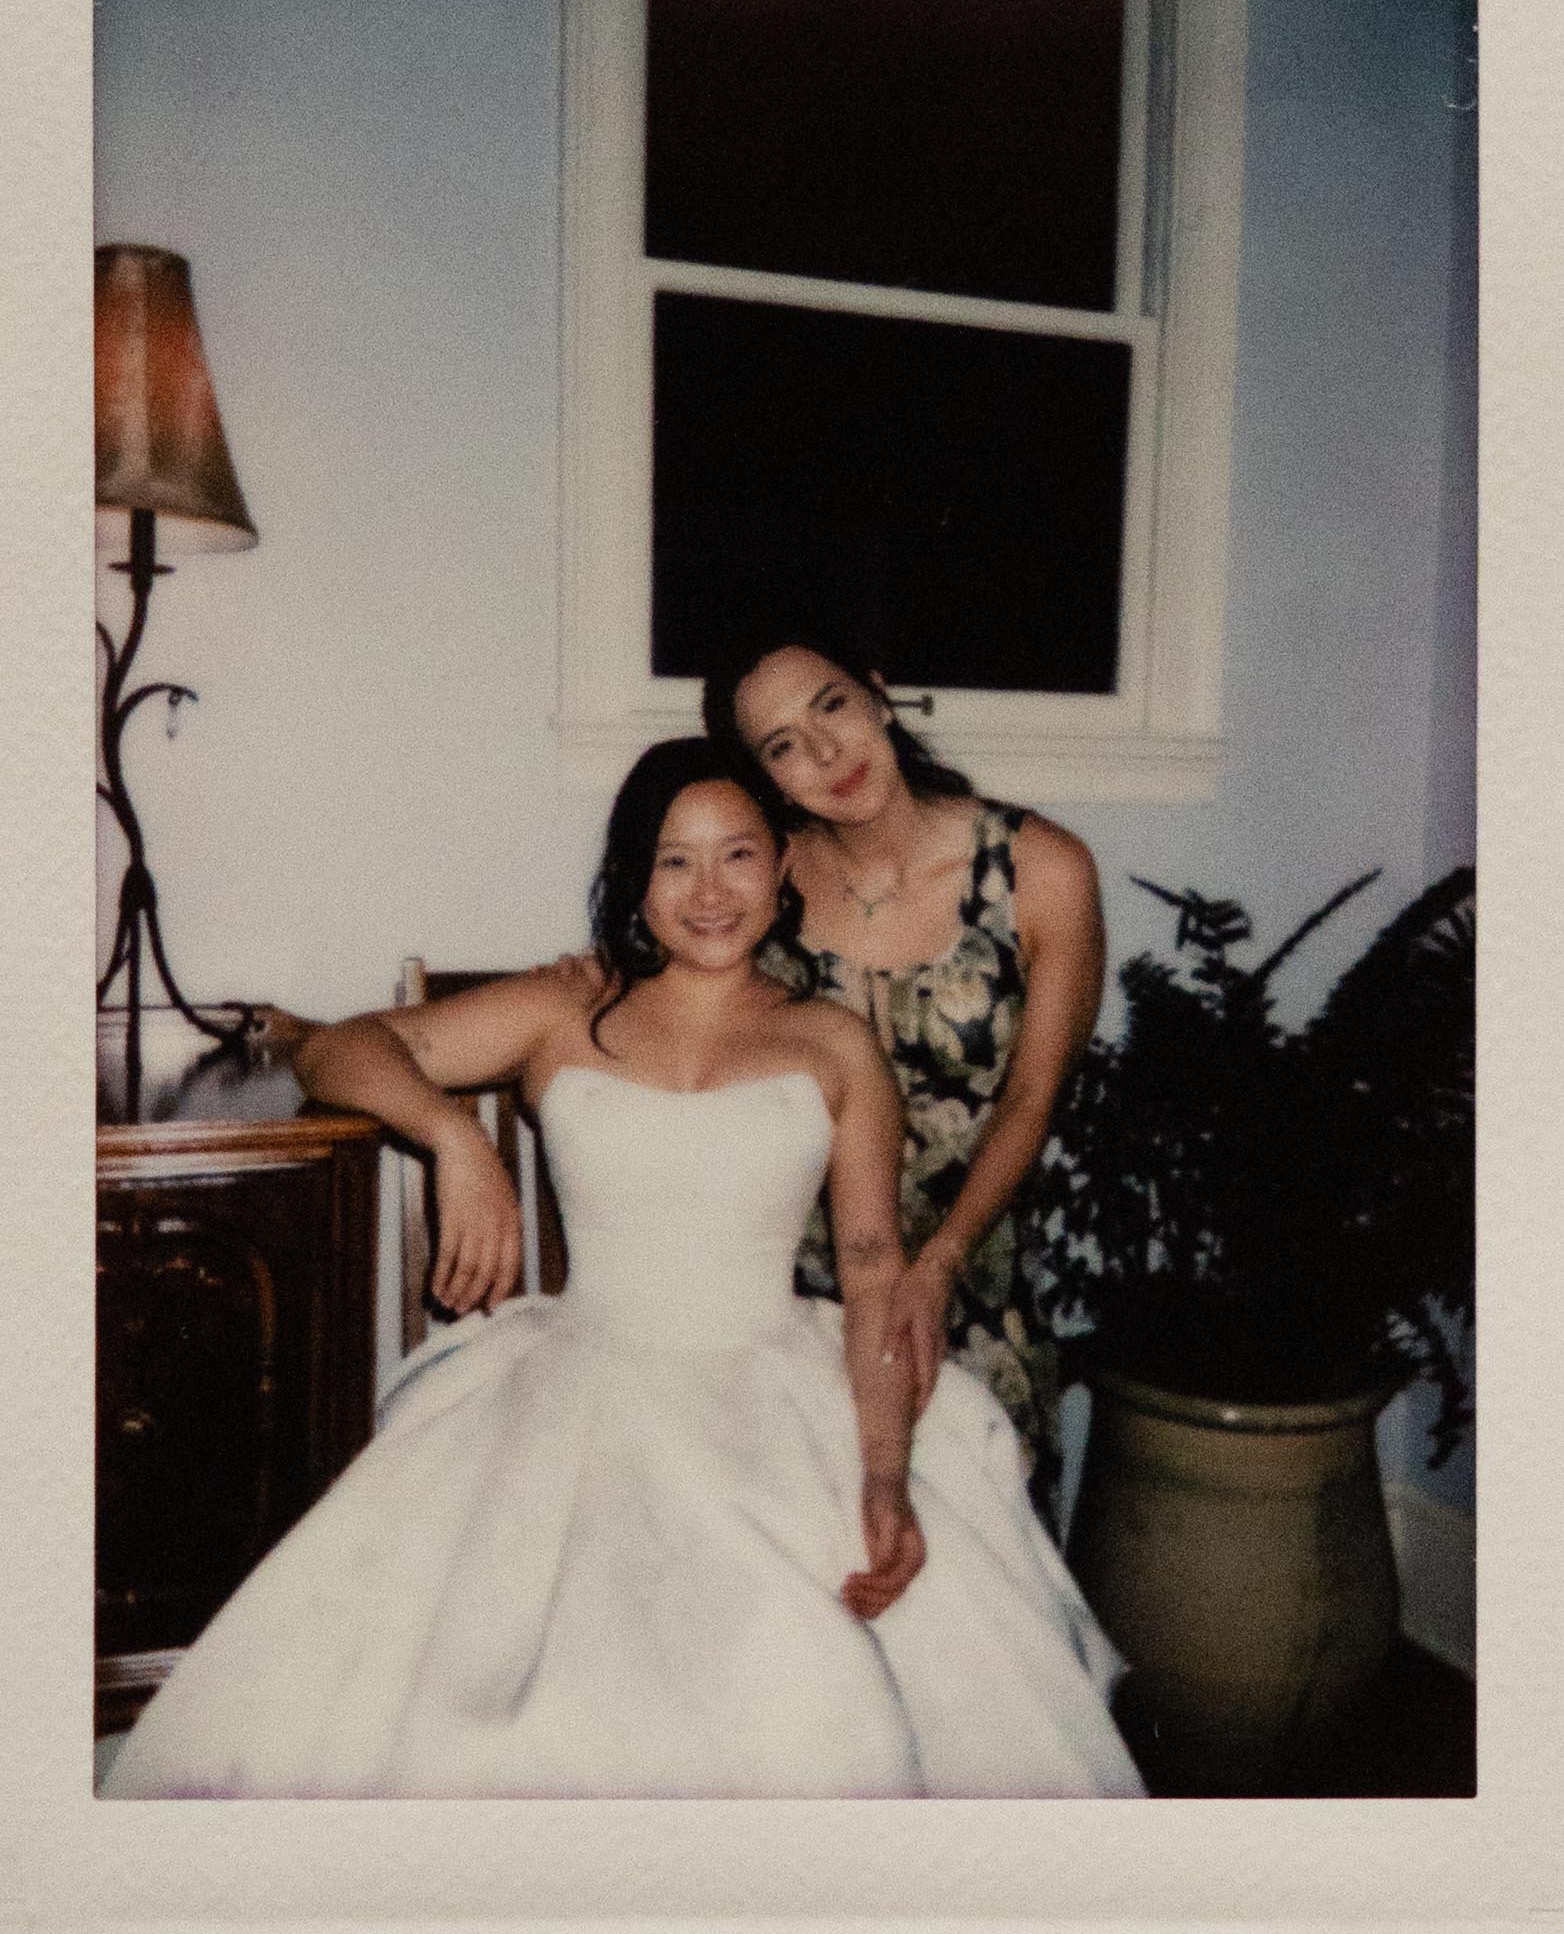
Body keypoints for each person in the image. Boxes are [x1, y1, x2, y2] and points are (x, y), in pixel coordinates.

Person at [103, 738, 1141, 1800]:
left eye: (736, 855)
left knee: (825, 1710)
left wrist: (881, 1471)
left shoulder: (831, 1044)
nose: (707, 892)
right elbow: (338, 1052)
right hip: (573, 1387)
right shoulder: (568, 1012)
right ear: (632, 880)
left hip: (777, 1393)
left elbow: (875, 1273)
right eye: (672, 861)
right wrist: (457, 1142)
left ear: (782, 866)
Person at [703, 631, 1104, 1520]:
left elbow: (1033, 1099)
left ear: (878, 695)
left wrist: (940, 1263)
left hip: (972, 1283)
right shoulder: (760, 881)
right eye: (781, 746)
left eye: (832, 706)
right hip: (795, 1304)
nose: (823, 754)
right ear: (764, 776)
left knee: (987, 1594)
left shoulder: (1041, 869)